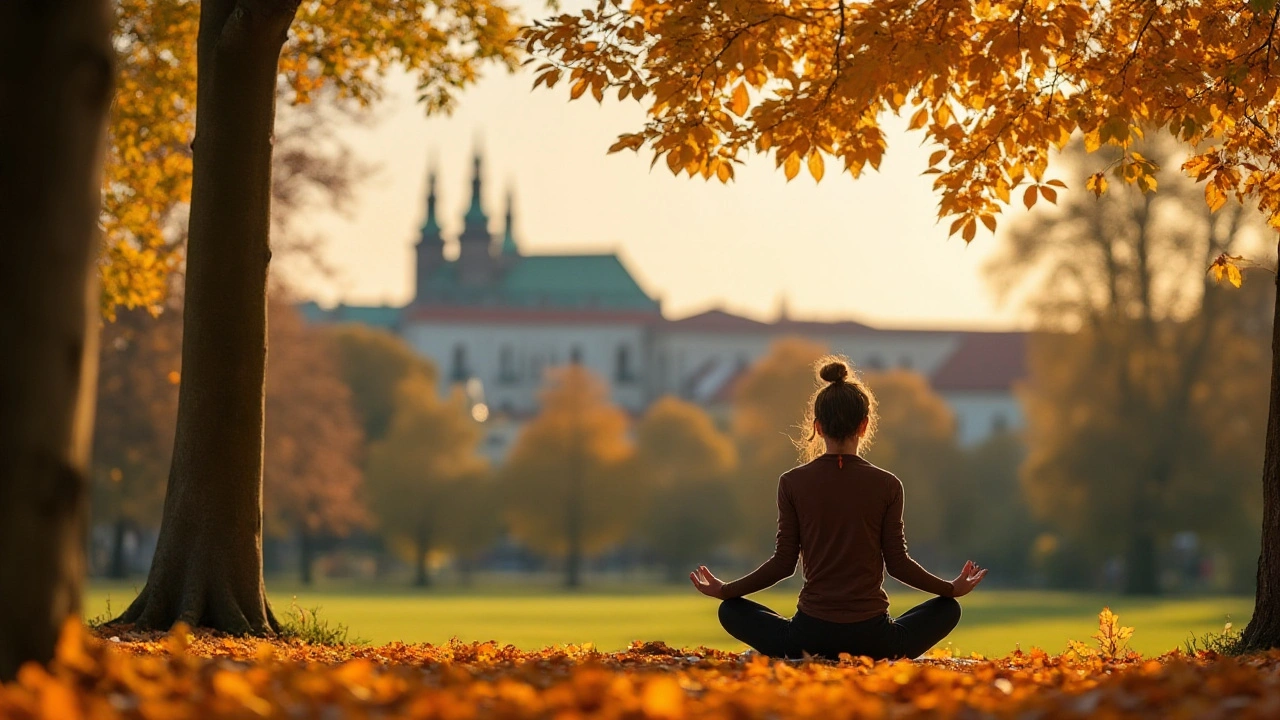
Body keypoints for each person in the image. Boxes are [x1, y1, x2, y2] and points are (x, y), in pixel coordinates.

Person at [690, 357, 987, 660]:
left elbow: (783, 564)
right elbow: (898, 564)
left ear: (817, 427)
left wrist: (726, 591)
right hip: (874, 639)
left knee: (731, 611)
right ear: (865, 425)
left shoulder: (792, 482)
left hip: (809, 636)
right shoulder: (888, 485)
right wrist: (950, 589)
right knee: (948, 609)